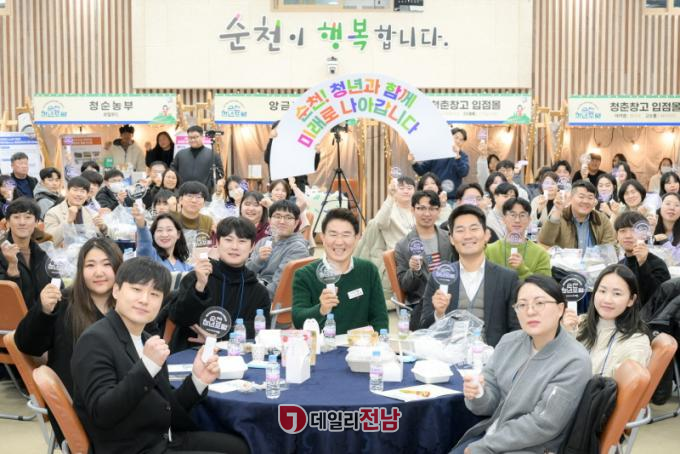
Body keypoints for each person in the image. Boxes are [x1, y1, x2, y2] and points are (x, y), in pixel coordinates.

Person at [71, 257, 249, 454]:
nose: (144, 300)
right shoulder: (95, 340)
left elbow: (167, 408)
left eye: (154, 294)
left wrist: (198, 380)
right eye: (136, 289)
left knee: (242, 447)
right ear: (116, 291)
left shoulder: (147, 339)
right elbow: (102, 413)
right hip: (132, 448)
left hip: (162, 439)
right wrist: (147, 367)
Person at [452, 275, 591, 454]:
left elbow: (543, 424)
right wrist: (478, 393)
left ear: (560, 309)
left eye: (539, 303)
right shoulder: (509, 342)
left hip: (534, 448)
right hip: (493, 435)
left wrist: (483, 447)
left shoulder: (574, 360)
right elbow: (490, 400)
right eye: (522, 305)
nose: (530, 311)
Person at [14, 237, 122, 393]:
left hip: (119, 393)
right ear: (80, 270)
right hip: (78, 397)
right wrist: (43, 311)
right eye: (90, 265)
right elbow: (27, 345)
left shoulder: (129, 305)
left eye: (107, 264)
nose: (99, 273)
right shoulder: (63, 302)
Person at [419, 205, 520, 346]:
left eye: (474, 229)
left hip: (493, 354)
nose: (467, 236)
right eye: (460, 230)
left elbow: (516, 329)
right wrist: (439, 313)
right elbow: (423, 326)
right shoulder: (439, 276)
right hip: (449, 353)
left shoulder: (507, 278)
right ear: (451, 239)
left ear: (486, 235)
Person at [172, 217, 270, 348]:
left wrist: (218, 337)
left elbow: (261, 331)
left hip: (237, 354)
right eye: (228, 240)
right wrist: (199, 286)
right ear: (217, 243)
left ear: (252, 247)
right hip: (192, 351)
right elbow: (178, 317)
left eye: (242, 241)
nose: (234, 247)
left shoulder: (258, 291)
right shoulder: (199, 276)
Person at [292, 208, 389, 335]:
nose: (339, 242)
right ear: (322, 237)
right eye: (333, 234)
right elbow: (298, 320)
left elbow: (380, 319)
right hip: (322, 345)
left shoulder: (368, 270)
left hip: (359, 345)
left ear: (357, 238)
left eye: (346, 235)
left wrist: (381, 342)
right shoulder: (304, 275)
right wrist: (321, 309)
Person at [563, 265, 651, 377]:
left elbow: (622, 384)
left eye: (617, 293)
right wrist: (565, 334)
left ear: (631, 300)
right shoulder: (580, 323)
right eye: (602, 291)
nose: (607, 300)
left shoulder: (636, 341)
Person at [394, 190, 455, 329]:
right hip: (423, 304)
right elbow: (405, 286)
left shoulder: (450, 239)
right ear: (412, 210)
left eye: (432, 209)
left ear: (439, 211)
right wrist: (413, 270)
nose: (427, 214)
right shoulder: (403, 245)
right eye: (421, 208)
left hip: (451, 299)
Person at [246, 200, 310, 298]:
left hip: (267, 299)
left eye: (288, 217)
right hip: (252, 288)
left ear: (296, 223)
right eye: (277, 216)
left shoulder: (298, 249)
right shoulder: (263, 242)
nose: (282, 221)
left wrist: (252, 298)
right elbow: (245, 273)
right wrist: (258, 260)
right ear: (269, 220)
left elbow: (279, 286)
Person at [0, 198, 52, 309]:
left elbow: (56, 284)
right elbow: (5, 299)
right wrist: (12, 265)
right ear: (8, 222)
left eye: (28, 217)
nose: (22, 222)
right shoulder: (2, 251)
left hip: (41, 314)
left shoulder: (42, 252)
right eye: (16, 217)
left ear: (36, 222)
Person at [538, 180, 616, 249]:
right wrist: (557, 211)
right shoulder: (560, 216)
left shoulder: (601, 219)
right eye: (581, 197)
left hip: (594, 260)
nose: (585, 201)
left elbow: (609, 246)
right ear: (571, 198)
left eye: (590, 198)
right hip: (564, 261)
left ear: (594, 201)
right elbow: (544, 241)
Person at [485, 198, 552, 280]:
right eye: (512, 215)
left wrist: (522, 270)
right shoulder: (489, 251)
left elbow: (545, 285)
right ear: (504, 219)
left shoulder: (541, 254)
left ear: (529, 220)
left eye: (522, 215)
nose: (517, 220)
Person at [614, 211, 670, 306]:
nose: (628, 236)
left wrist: (642, 264)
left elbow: (658, 299)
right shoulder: (619, 265)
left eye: (633, 231)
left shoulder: (657, 264)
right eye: (623, 231)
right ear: (617, 236)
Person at [409, 127, 471, 202]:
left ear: (463, 142)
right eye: (456, 137)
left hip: (452, 198)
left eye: (461, 140)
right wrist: (413, 162)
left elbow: (463, 173)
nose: (458, 141)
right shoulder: (437, 153)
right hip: (434, 196)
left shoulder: (463, 156)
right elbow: (422, 171)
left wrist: (457, 156)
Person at [44, 176, 108, 247]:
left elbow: (96, 237)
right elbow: (50, 242)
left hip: (86, 251)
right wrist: (68, 222)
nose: (79, 194)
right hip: (64, 252)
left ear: (87, 195)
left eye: (82, 191)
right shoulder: (52, 213)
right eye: (75, 190)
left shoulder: (89, 212)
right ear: (67, 192)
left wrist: (102, 228)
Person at [264, 121, 321, 193]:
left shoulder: (300, 146)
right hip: (279, 187)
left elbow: (313, 166)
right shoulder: (273, 145)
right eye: (278, 129)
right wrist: (271, 140)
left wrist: (317, 154)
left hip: (298, 187)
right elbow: (267, 159)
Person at [133, 205, 193, 273]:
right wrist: (140, 222)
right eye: (159, 230)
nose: (164, 235)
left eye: (169, 230)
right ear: (153, 234)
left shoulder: (186, 267)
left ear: (178, 234)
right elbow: (145, 243)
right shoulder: (150, 256)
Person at [171, 125, 224, 195]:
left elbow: (220, 173)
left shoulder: (213, 154)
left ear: (202, 137)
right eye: (190, 137)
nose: (192, 140)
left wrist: (210, 184)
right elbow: (173, 170)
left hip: (204, 194)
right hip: (184, 193)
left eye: (195, 137)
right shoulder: (180, 154)